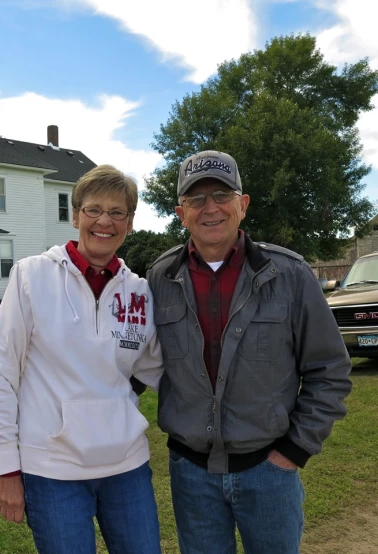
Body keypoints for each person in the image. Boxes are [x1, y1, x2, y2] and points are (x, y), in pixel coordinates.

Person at [147, 150, 352, 554]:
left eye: (221, 195)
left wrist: (293, 451)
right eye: (196, 199)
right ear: (179, 212)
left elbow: (330, 369)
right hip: (191, 475)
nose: (210, 208)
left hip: (269, 471)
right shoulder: (159, 277)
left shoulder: (290, 274)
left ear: (242, 205)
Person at [0, 165, 164, 554]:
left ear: (130, 222)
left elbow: (155, 368)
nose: (104, 221)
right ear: (76, 214)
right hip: (52, 471)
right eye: (94, 209)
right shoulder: (31, 277)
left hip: (126, 466)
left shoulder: (140, 293)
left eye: (117, 212)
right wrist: (7, 469)